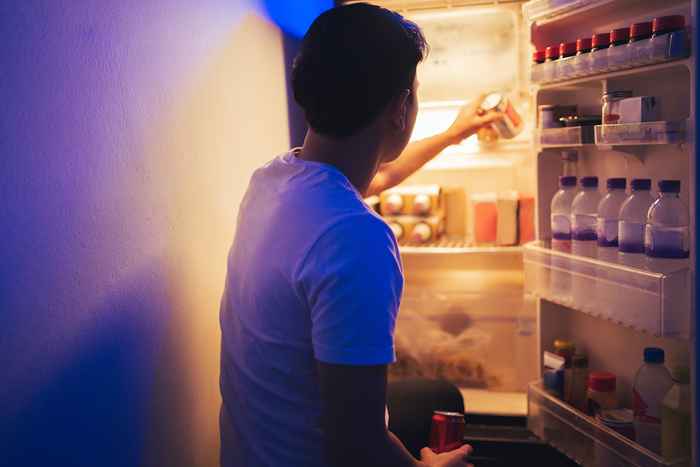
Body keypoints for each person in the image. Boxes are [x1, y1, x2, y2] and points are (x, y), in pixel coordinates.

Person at [219, 3, 501, 467]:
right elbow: (357, 445)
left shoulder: (272, 180)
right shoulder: (357, 240)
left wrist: (454, 134)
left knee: (437, 392)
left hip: (252, 449)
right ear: (399, 108)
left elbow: (375, 179)